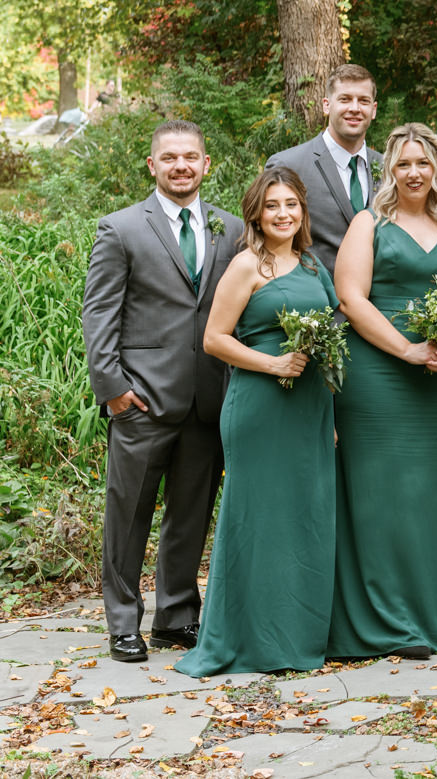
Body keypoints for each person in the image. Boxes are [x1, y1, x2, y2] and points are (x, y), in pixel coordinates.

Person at [81, 120, 243, 663]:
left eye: (190, 157)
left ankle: (176, 618)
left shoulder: (232, 228)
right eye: (170, 157)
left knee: (190, 515)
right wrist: (113, 390)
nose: (181, 166)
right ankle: (124, 622)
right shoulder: (122, 228)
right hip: (141, 400)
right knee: (128, 516)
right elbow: (100, 312)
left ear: (205, 164)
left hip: (207, 397)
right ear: (152, 165)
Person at [176, 168, 338, 675]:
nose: (284, 213)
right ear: (256, 214)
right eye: (273, 206)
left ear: (303, 212)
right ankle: (246, 639)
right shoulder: (247, 266)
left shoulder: (313, 266)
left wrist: (329, 413)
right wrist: (272, 364)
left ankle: (295, 636)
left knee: (302, 520)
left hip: (309, 409)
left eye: (292, 204)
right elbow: (215, 339)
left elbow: (333, 334)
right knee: (257, 521)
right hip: (260, 406)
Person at [328, 123, 437, 659]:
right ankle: (373, 621)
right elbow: (351, 298)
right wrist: (405, 350)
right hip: (377, 374)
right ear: (390, 169)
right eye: (403, 164)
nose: (414, 173)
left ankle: (426, 616)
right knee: (377, 496)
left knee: (428, 496)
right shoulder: (369, 223)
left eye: (423, 163)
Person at [266, 64, 381, 275]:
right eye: (345, 99)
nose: (355, 108)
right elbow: (267, 244)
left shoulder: (389, 168)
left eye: (363, 101)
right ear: (326, 106)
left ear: (373, 110)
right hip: (316, 298)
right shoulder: (288, 165)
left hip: (378, 301)